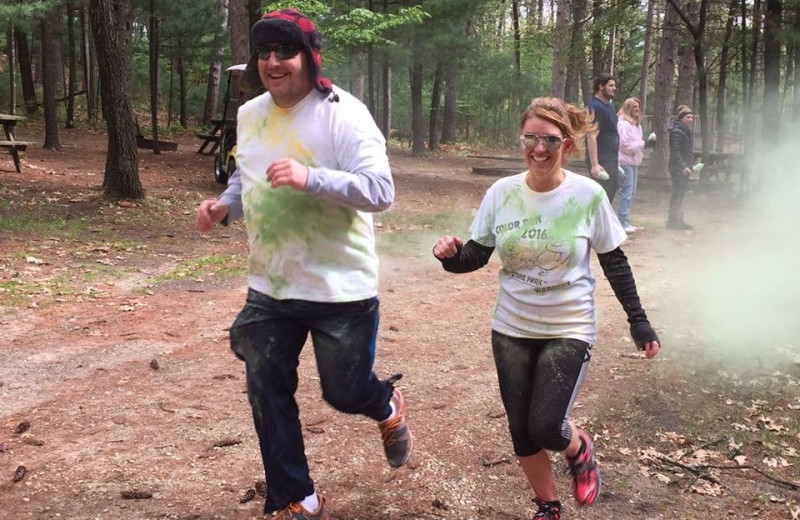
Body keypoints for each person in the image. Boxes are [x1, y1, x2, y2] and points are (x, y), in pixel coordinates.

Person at [195, 9, 412, 520]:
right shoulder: (250, 114)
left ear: (308, 57)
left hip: (340, 288)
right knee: (264, 381)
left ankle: (385, 404)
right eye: (264, 52)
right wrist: (225, 204)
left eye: (284, 52)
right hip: (271, 283)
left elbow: (381, 192)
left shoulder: (343, 113)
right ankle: (295, 496)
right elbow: (246, 174)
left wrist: (312, 178)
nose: (273, 62)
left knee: (344, 391)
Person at [432, 97, 661, 520]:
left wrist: (639, 322)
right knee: (521, 430)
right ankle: (548, 505)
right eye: (531, 138)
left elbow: (614, 261)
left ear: (568, 145)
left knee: (545, 425)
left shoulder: (587, 195)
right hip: (511, 328)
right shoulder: (502, 193)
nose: (539, 148)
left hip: (567, 327)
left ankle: (579, 446)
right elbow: (476, 257)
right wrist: (449, 255)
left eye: (550, 140)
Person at [586, 73, 620, 202]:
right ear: (601, 86)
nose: (614, 88)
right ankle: (596, 222)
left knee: (610, 195)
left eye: (614, 85)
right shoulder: (595, 107)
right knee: (601, 198)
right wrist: (595, 164)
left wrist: (617, 161)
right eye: (611, 85)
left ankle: (604, 222)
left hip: (611, 158)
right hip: (602, 160)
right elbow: (591, 136)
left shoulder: (609, 106)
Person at [616, 98, 646, 233]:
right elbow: (624, 146)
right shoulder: (623, 125)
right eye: (634, 107)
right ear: (628, 108)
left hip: (634, 162)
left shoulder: (636, 125)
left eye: (638, 106)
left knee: (632, 192)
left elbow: (637, 143)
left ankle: (626, 220)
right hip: (625, 162)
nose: (637, 109)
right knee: (626, 192)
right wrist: (643, 144)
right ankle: (622, 222)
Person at [667, 105, 695, 230]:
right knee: (677, 194)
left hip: (684, 167)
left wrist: (689, 165)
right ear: (682, 118)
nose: (691, 119)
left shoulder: (685, 130)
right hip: (678, 168)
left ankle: (678, 221)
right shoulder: (676, 131)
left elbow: (686, 150)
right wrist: (683, 166)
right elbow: (675, 151)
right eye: (688, 117)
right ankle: (673, 222)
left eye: (692, 117)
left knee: (681, 194)